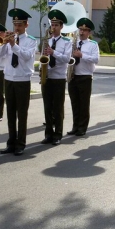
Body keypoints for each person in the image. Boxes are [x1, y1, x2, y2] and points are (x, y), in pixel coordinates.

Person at [0, 8, 36, 156]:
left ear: (26, 25)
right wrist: (4, 43)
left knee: (22, 114)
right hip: (9, 79)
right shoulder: (9, 40)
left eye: (20, 25)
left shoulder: (31, 41)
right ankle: (11, 142)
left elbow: (26, 56)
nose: (16, 28)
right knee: (10, 113)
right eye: (15, 25)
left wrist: (13, 45)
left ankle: (21, 143)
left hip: (22, 80)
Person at [40, 10, 72, 145]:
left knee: (58, 107)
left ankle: (58, 134)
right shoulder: (47, 40)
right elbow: (42, 57)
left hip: (59, 77)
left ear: (61, 27)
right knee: (47, 107)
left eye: (56, 25)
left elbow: (66, 59)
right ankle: (48, 134)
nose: (53, 27)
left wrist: (54, 52)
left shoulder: (66, 42)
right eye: (52, 24)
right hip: (47, 76)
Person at [67, 17, 100, 137]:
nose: (81, 32)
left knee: (84, 104)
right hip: (73, 76)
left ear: (89, 32)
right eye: (80, 29)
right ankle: (75, 126)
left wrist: (82, 55)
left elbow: (96, 59)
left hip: (85, 77)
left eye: (84, 30)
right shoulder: (73, 43)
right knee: (75, 103)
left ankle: (82, 128)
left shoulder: (93, 45)